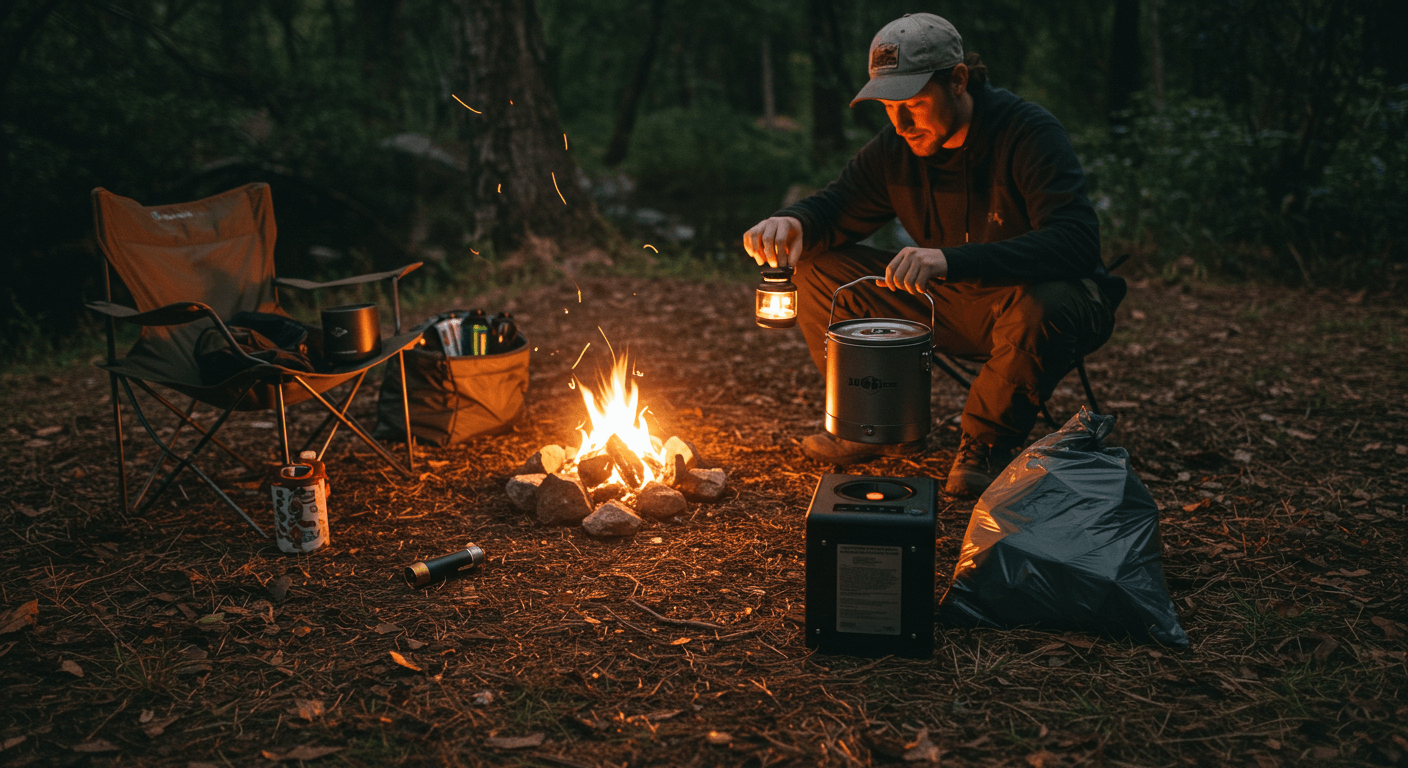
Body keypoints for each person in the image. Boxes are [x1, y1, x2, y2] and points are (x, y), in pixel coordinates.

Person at [742, 12, 1118, 498]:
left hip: (1040, 303)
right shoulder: (896, 149)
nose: (899, 123)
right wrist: (793, 222)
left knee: (1044, 305)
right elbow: (838, 206)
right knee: (817, 270)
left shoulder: (1026, 133)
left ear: (958, 81)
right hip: (951, 302)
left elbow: (1077, 242)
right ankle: (872, 421)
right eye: (888, 107)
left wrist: (952, 260)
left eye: (913, 103)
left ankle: (984, 443)